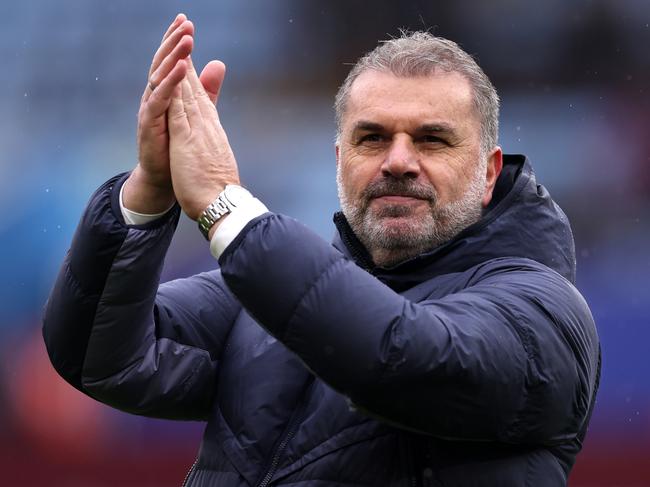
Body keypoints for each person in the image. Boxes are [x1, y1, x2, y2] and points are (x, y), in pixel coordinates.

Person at [43, 13, 600, 487]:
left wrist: (222, 204)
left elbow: (399, 360)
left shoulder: (543, 311)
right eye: (372, 138)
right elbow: (98, 356)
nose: (399, 161)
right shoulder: (270, 286)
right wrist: (150, 187)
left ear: (488, 173)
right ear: (339, 161)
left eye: (432, 139)